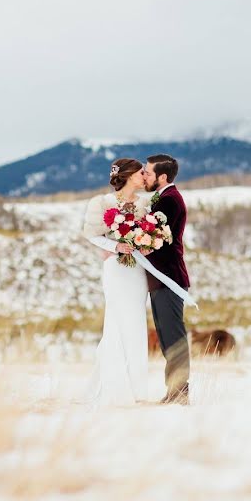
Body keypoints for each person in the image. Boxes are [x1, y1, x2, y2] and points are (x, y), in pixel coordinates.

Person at [81, 158, 153, 406]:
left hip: (138, 272)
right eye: (141, 172)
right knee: (116, 323)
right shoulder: (102, 203)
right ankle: (113, 386)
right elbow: (91, 234)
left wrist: (146, 244)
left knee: (136, 323)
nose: (145, 176)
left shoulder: (146, 204)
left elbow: (151, 234)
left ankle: (137, 389)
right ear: (130, 175)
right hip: (115, 268)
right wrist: (115, 245)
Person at [142, 154, 191, 405]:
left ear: (162, 177)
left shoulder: (170, 201)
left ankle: (180, 392)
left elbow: (154, 238)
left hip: (169, 278)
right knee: (166, 337)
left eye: (148, 173)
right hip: (160, 279)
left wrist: (134, 240)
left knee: (173, 337)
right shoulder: (164, 198)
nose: (144, 176)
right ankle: (174, 391)